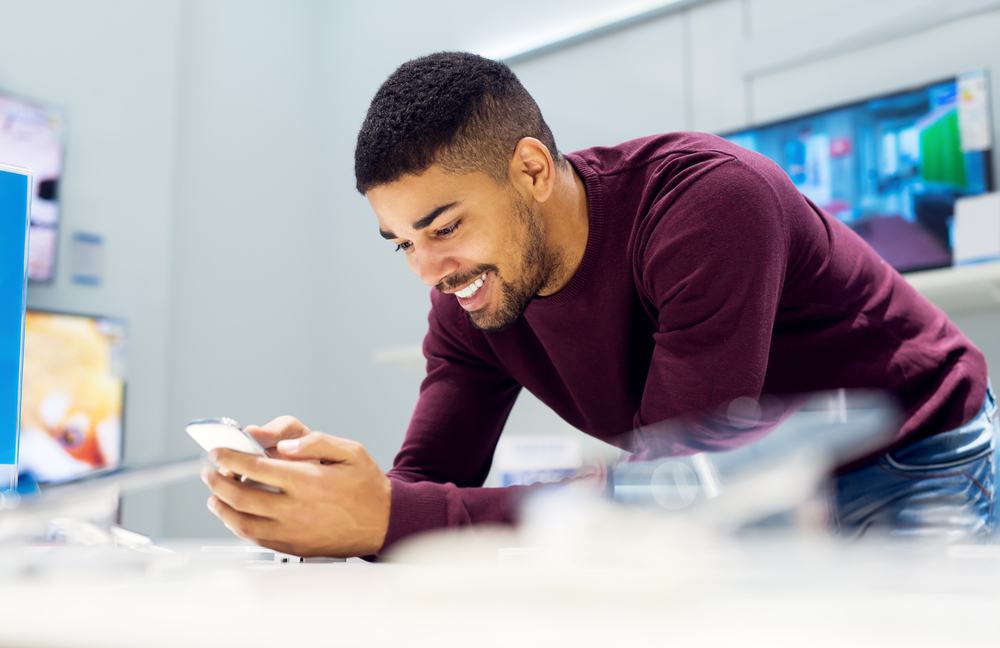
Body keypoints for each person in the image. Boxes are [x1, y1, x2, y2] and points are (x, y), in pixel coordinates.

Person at [201, 52, 997, 557]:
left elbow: (677, 487)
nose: (427, 270)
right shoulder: (470, 297)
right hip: (757, 483)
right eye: (402, 241)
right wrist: (328, 499)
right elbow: (426, 486)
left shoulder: (709, 205)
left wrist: (386, 518)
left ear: (532, 170)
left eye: (444, 227)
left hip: (913, 447)